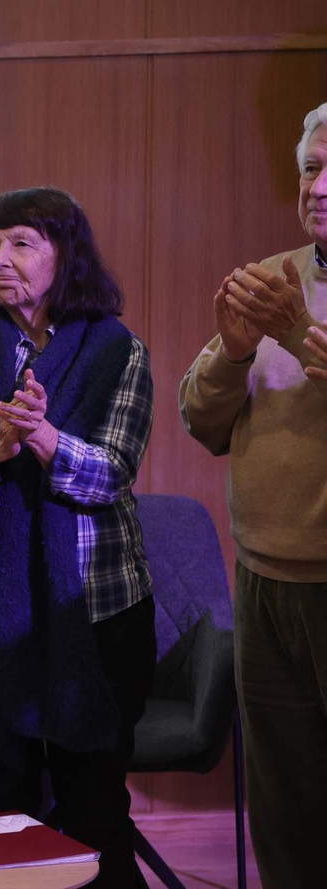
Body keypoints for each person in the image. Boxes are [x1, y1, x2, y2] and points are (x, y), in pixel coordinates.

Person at [0, 187, 154, 888]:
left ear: (64, 255)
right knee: (3, 819)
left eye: (20, 243)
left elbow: (111, 472)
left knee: (92, 811)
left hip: (97, 616)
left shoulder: (116, 348)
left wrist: (44, 438)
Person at [179, 100, 327, 889]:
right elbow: (198, 418)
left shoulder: (289, 303)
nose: (321, 186)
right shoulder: (274, 278)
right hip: (264, 586)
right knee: (285, 809)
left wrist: (299, 331)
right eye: (311, 168)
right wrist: (233, 356)